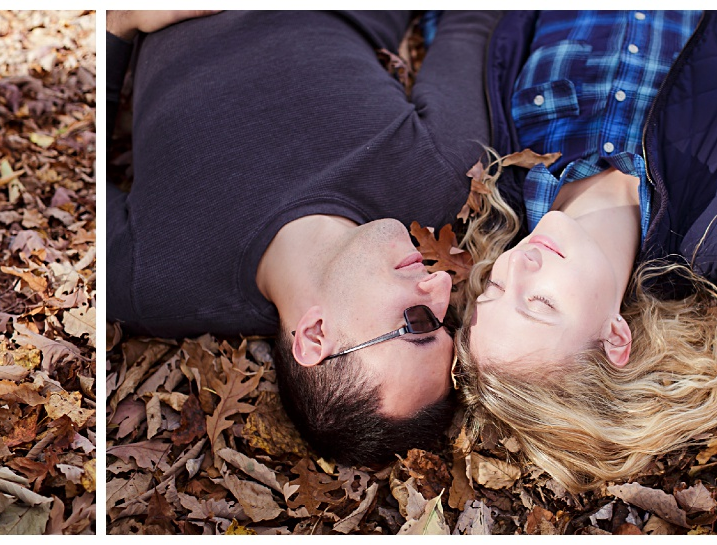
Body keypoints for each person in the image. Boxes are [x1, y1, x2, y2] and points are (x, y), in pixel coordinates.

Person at [452, 10, 717, 492]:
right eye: (540, 303)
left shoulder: (498, 173)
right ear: (615, 337)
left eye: (496, 287)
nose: (520, 264)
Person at [106, 10, 503, 466]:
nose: (439, 287)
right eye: (446, 319)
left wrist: (119, 21)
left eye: (416, 322)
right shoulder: (436, 179)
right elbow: (470, 22)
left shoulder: (151, 280)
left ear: (314, 336)